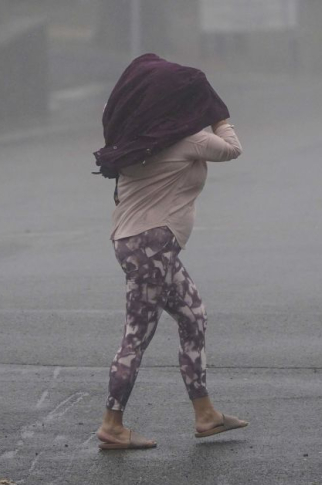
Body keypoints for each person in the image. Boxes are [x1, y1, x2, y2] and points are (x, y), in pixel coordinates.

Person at [92, 54, 248, 450]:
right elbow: (232, 148)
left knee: (193, 315)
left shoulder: (132, 142)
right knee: (136, 335)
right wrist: (218, 114)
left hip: (135, 244)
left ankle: (206, 414)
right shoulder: (188, 140)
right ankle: (112, 425)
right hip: (152, 246)